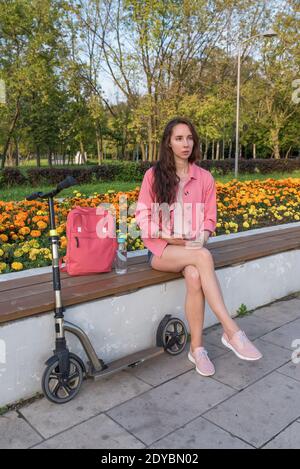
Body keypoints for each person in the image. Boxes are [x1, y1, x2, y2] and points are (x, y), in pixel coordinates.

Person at [135, 117, 262, 377]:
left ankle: (197, 349)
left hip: (192, 249)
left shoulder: (204, 177)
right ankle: (231, 330)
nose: (186, 144)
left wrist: (201, 237)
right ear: (168, 143)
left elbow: (210, 219)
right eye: (179, 138)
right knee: (203, 257)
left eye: (189, 138)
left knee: (194, 275)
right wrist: (171, 237)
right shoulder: (153, 175)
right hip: (162, 250)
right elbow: (142, 219)